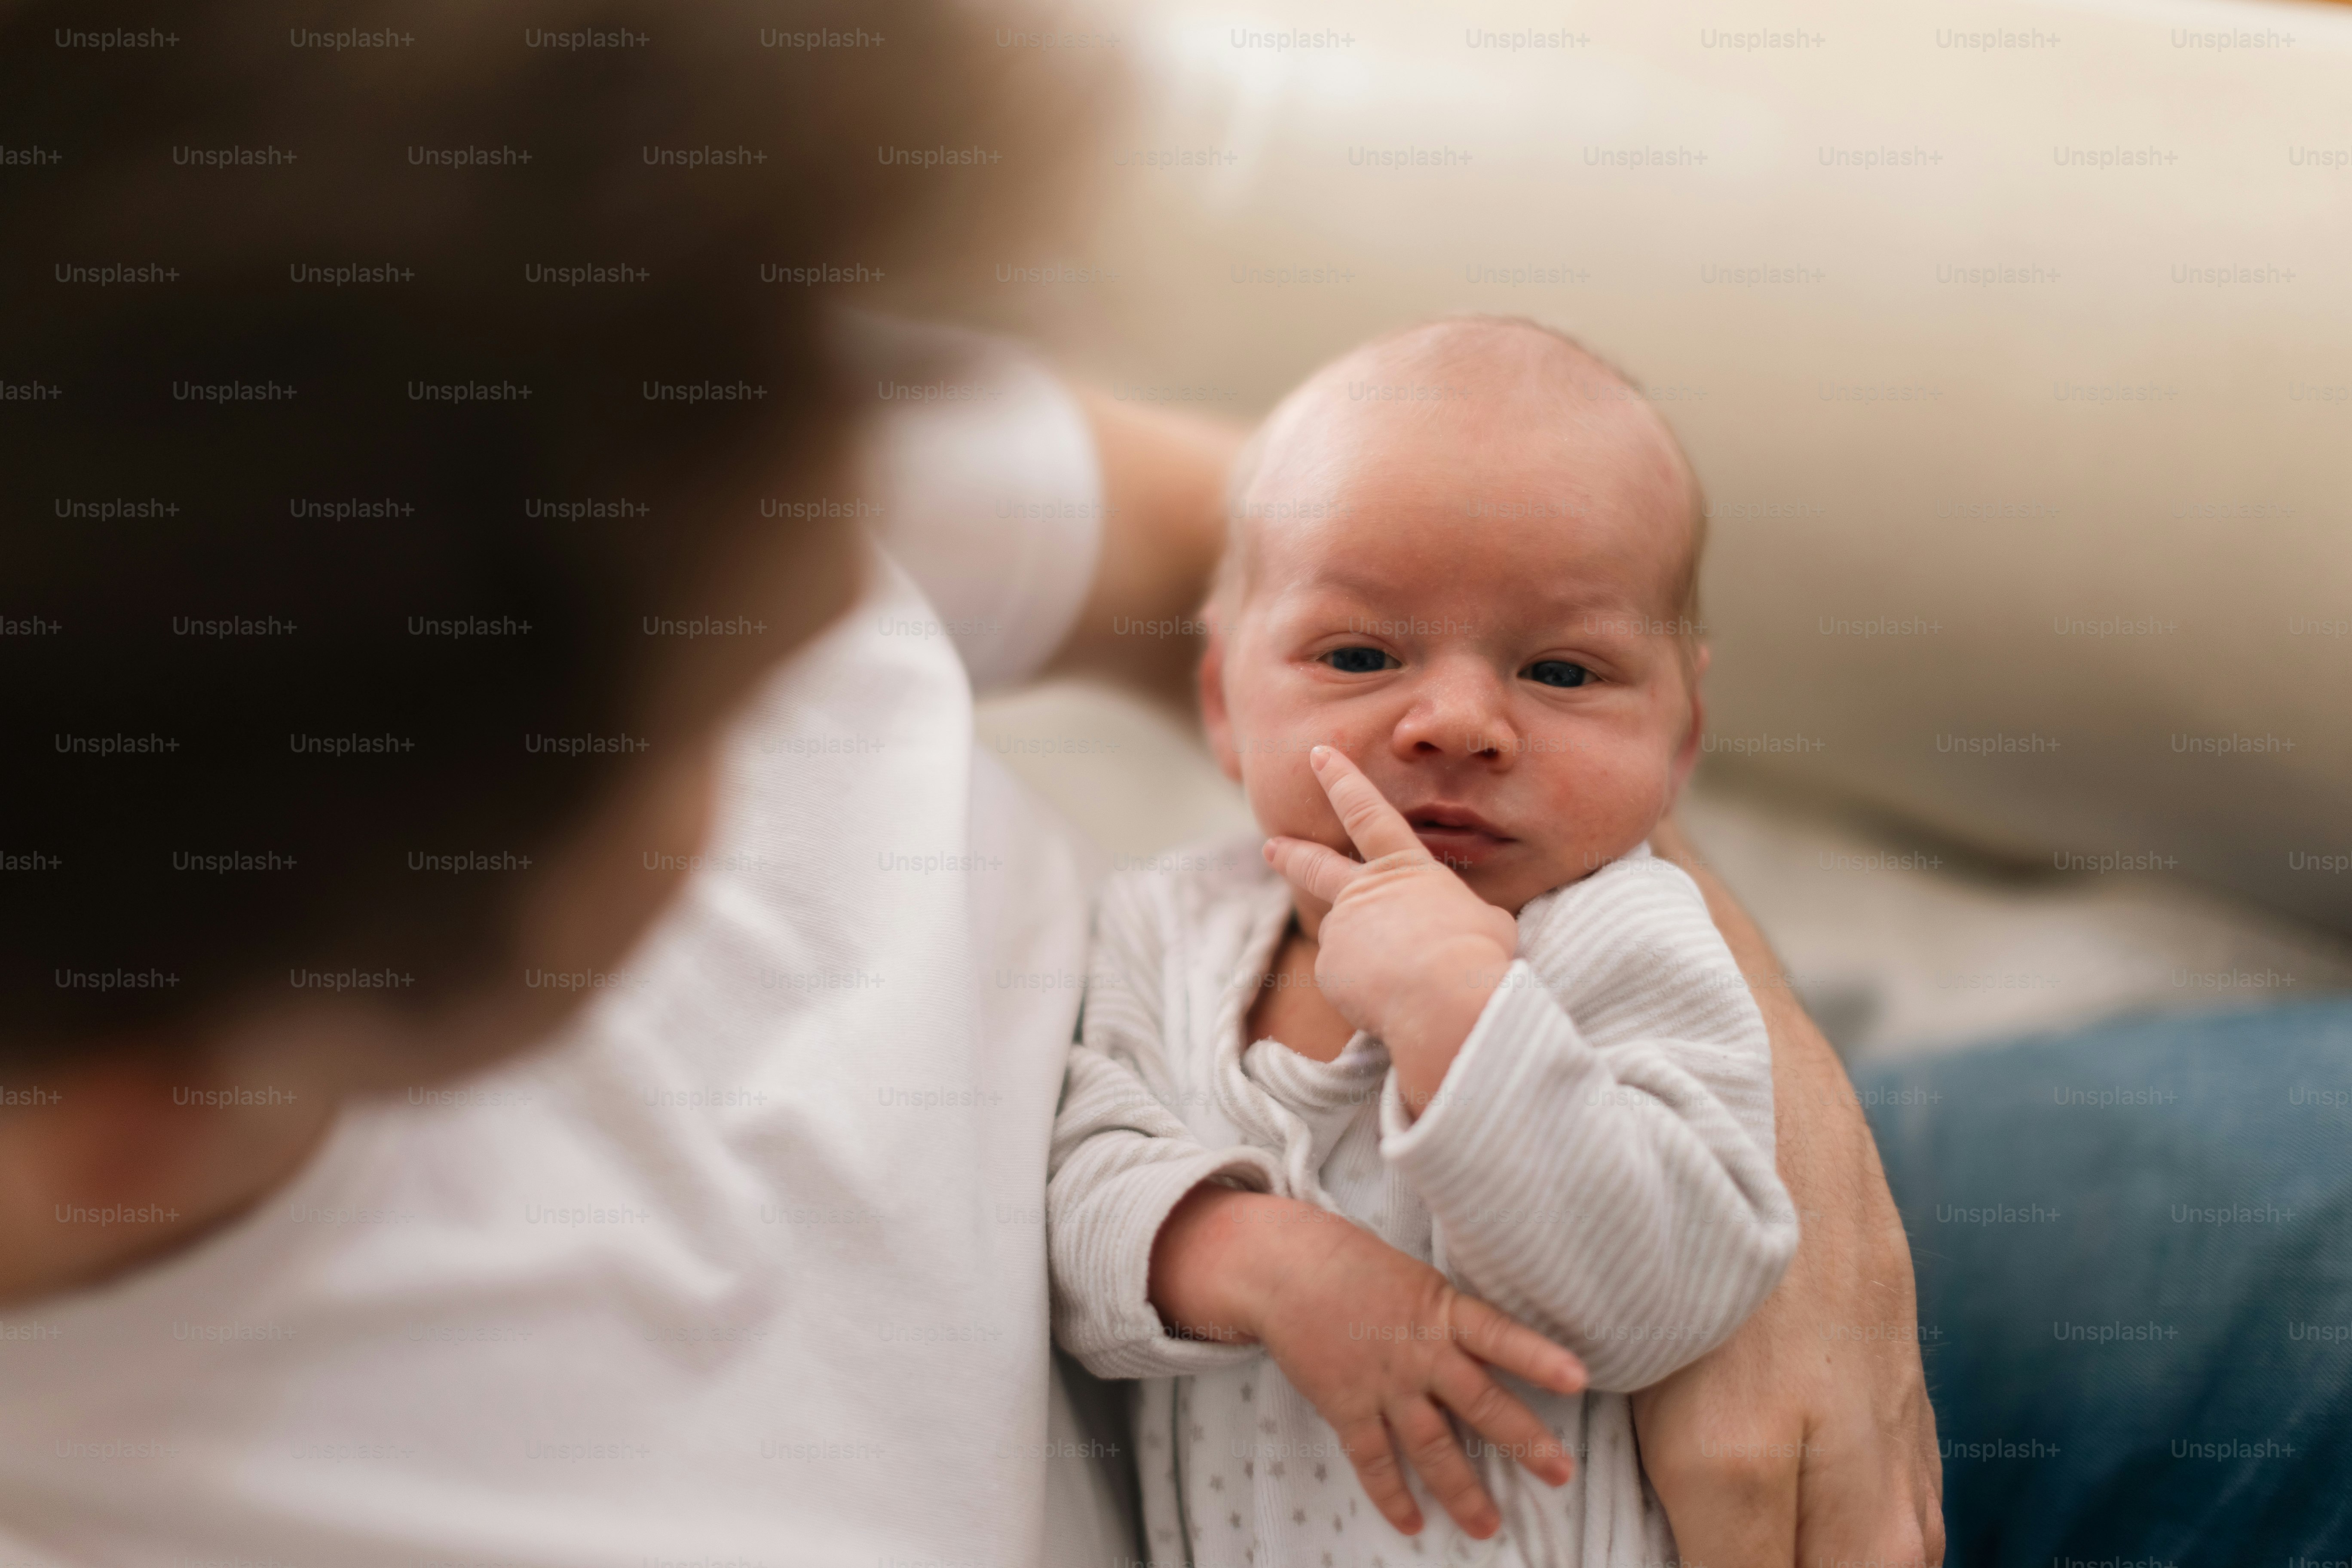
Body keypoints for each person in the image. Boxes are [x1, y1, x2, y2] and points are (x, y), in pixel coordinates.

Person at [0, 2, 1942, 1564]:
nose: (849, 579)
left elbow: (1375, 547)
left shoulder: (603, 378)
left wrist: (1756, 1157)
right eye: (721, 702)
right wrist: (1249, 1250)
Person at [1048, 319, 1798, 1565]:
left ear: (1680, 739)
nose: (1457, 722)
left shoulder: (1633, 940)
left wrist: (1463, 1012)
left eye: (1563, 672)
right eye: (1358, 655)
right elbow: (1066, 1202)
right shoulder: (1159, 930)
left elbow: (1670, 1297)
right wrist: (1254, 1261)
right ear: (1224, 700)